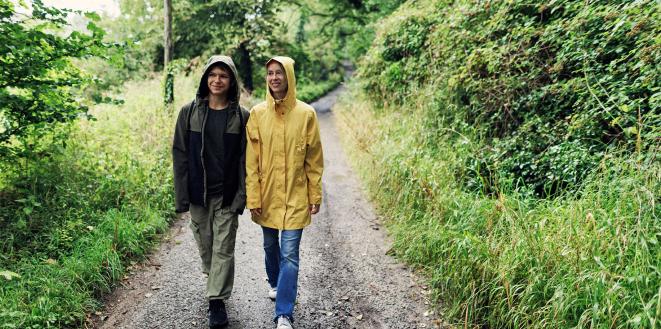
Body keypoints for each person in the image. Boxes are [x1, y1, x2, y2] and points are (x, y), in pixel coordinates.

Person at [245, 56, 324, 329]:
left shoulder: (306, 114)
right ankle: (275, 282)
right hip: (266, 197)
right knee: (270, 246)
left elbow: (314, 160)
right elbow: (251, 162)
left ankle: (283, 313)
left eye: (279, 72)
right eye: (270, 73)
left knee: (290, 253)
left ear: (288, 76)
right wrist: (253, 197)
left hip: (295, 196)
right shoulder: (257, 114)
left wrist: (315, 194)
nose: (274, 77)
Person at [172, 55, 249, 329]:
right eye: (213, 75)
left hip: (227, 195)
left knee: (224, 247)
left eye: (224, 76)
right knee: (206, 246)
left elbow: (245, 160)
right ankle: (214, 277)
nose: (217, 80)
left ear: (232, 82)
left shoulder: (241, 116)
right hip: (198, 195)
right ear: (206, 78)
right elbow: (180, 154)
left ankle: (216, 301)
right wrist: (181, 195)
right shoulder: (189, 112)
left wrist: (242, 196)